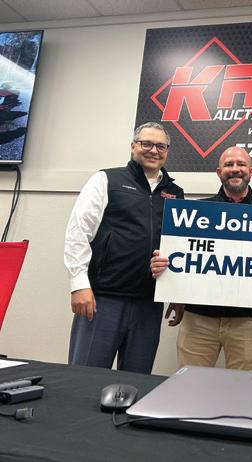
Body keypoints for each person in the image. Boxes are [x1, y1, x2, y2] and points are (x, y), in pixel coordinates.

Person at [151, 146, 252, 371]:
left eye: (241, 164)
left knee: (243, 389)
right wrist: (165, 270)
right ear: (219, 172)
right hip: (198, 319)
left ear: (251, 171)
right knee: (190, 387)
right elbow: (184, 261)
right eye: (229, 165)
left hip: (248, 321)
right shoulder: (195, 211)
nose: (235, 169)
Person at [64, 122, 185, 373]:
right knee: (84, 378)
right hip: (103, 299)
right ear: (133, 146)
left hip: (148, 304)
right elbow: (78, 231)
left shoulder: (175, 193)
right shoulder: (106, 179)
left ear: (167, 151)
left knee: (134, 383)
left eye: (160, 146)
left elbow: (178, 247)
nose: (153, 150)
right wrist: (79, 284)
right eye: (146, 144)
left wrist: (177, 293)